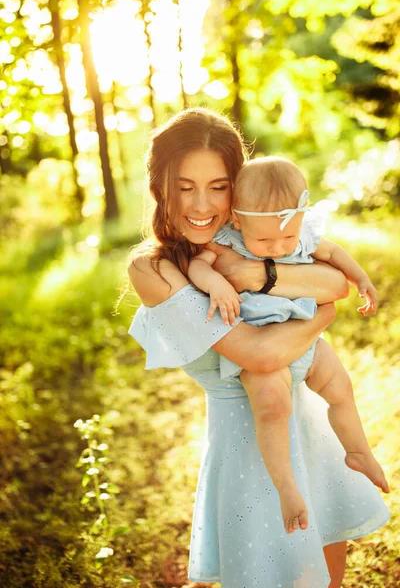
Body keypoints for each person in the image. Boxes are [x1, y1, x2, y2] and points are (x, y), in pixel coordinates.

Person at [128, 107, 390, 588]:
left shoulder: (256, 240)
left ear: (240, 187)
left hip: (309, 430)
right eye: (185, 187)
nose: (201, 203)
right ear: (159, 187)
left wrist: (261, 276)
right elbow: (264, 354)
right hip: (251, 456)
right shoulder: (156, 268)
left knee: (328, 574)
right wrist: (321, 317)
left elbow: (335, 279)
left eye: (219, 186)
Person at [187, 155, 389, 535]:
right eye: (263, 239)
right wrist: (214, 282)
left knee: (340, 388)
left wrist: (362, 280)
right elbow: (199, 266)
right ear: (237, 219)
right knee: (272, 409)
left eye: (288, 237)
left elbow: (333, 254)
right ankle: (287, 488)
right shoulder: (226, 240)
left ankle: (359, 451)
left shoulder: (303, 233)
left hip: (305, 338)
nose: (278, 247)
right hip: (262, 349)